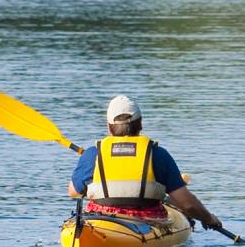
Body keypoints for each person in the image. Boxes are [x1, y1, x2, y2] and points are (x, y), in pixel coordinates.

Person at [67, 94, 225, 234]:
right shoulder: (158, 154)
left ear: (109, 127)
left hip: (100, 221)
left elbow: (73, 191)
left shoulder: (93, 154)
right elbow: (187, 205)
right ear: (140, 124)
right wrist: (209, 218)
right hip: (147, 221)